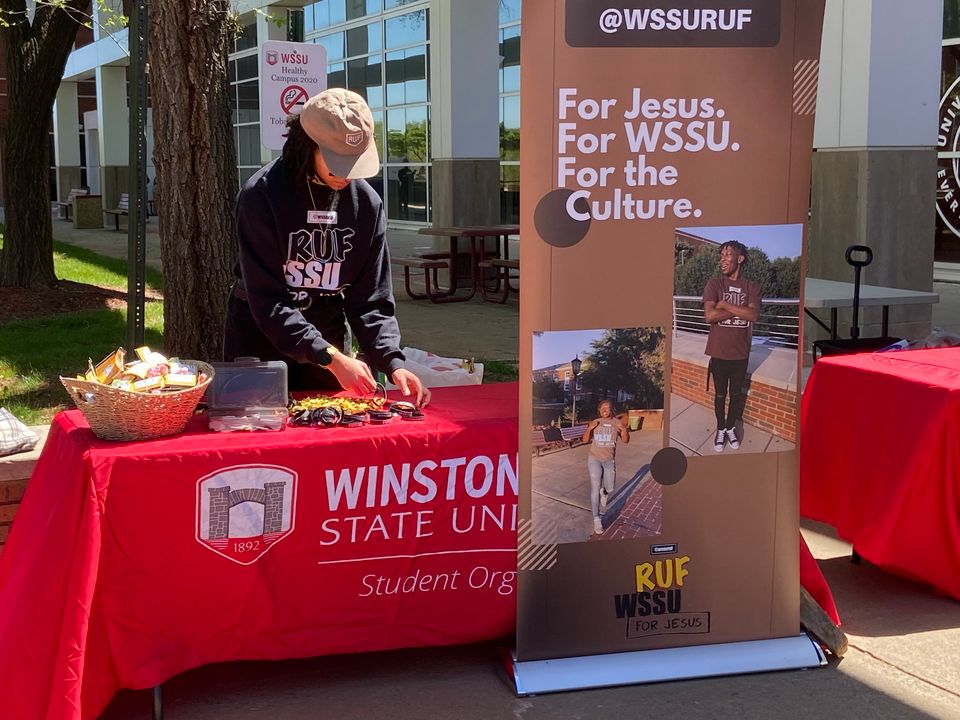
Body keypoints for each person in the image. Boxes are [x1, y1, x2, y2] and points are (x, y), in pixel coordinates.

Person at [223, 88, 429, 406]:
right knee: (255, 430)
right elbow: (267, 301)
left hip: (327, 333)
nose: (345, 175)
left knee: (330, 434)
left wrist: (392, 362)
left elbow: (371, 301)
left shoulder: (367, 205)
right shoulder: (261, 195)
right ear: (307, 147)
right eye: (336, 163)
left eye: (354, 163)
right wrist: (330, 357)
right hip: (259, 336)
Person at [702, 241, 761, 452]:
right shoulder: (715, 284)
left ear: (740, 259)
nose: (723, 259)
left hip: (740, 354)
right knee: (720, 395)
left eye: (728, 255)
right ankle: (720, 428)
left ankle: (730, 428)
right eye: (722, 255)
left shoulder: (751, 287)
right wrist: (741, 309)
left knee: (735, 395)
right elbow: (710, 316)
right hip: (718, 352)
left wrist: (725, 304)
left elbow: (753, 315)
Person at [582, 399, 629, 535]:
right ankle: (597, 518)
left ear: (611, 410)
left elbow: (625, 441)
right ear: (599, 410)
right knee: (594, 488)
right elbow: (584, 440)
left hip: (609, 461)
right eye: (602, 408)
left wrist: (624, 430)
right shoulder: (595, 422)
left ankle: (605, 492)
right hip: (594, 458)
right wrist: (590, 428)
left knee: (610, 487)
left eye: (607, 408)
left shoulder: (617, 423)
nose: (604, 410)